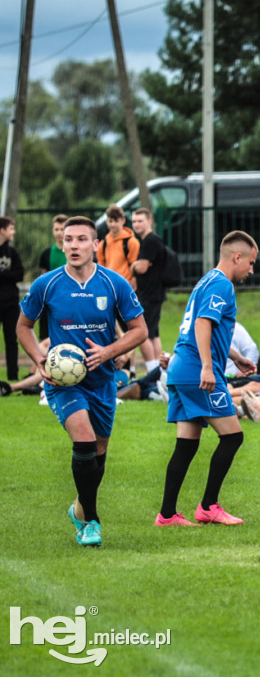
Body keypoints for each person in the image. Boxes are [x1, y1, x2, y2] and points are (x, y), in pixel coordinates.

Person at [17, 216, 147, 546]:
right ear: (62, 244)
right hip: (64, 382)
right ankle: (91, 520)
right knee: (85, 441)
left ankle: (79, 509)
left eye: (81, 239)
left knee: (98, 452)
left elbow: (140, 331)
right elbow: (23, 326)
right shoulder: (46, 284)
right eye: (68, 240)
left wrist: (109, 351)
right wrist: (38, 359)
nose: (73, 245)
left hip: (102, 380)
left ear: (95, 245)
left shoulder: (114, 283)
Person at [157, 231, 258, 527]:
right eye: (250, 263)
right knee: (233, 436)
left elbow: (208, 327)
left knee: (186, 445)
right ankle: (208, 506)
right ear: (236, 257)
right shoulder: (222, 285)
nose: (251, 270)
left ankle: (167, 514)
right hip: (195, 371)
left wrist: (236, 357)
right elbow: (202, 323)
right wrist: (207, 367)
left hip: (180, 369)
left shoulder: (206, 280)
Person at [130, 208, 167, 372]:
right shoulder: (148, 240)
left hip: (150, 294)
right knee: (153, 334)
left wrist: (133, 267)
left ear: (149, 221)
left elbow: (142, 268)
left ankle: (153, 371)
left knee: (142, 333)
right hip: (153, 294)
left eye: (140, 221)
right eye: (134, 221)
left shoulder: (150, 241)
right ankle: (158, 369)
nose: (136, 224)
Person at [0, 217, 24, 382]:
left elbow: (19, 274)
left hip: (10, 303)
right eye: (11, 229)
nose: (13, 232)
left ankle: (13, 377)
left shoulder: (12, 253)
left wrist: (3, 275)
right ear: (2, 230)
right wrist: (8, 276)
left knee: (11, 340)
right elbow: (12, 275)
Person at [36, 214, 66, 339]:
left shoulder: (74, 252)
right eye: (56, 229)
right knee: (46, 333)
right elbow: (44, 276)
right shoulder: (47, 253)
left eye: (62, 229)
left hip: (69, 297)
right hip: (51, 298)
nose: (59, 232)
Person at [97, 205, 140, 284]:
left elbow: (135, 268)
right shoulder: (103, 244)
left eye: (116, 221)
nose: (113, 224)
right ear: (107, 222)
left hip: (126, 285)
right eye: (110, 221)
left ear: (123, 221)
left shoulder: (131, 242)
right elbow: (101, 268)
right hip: (109, 286)